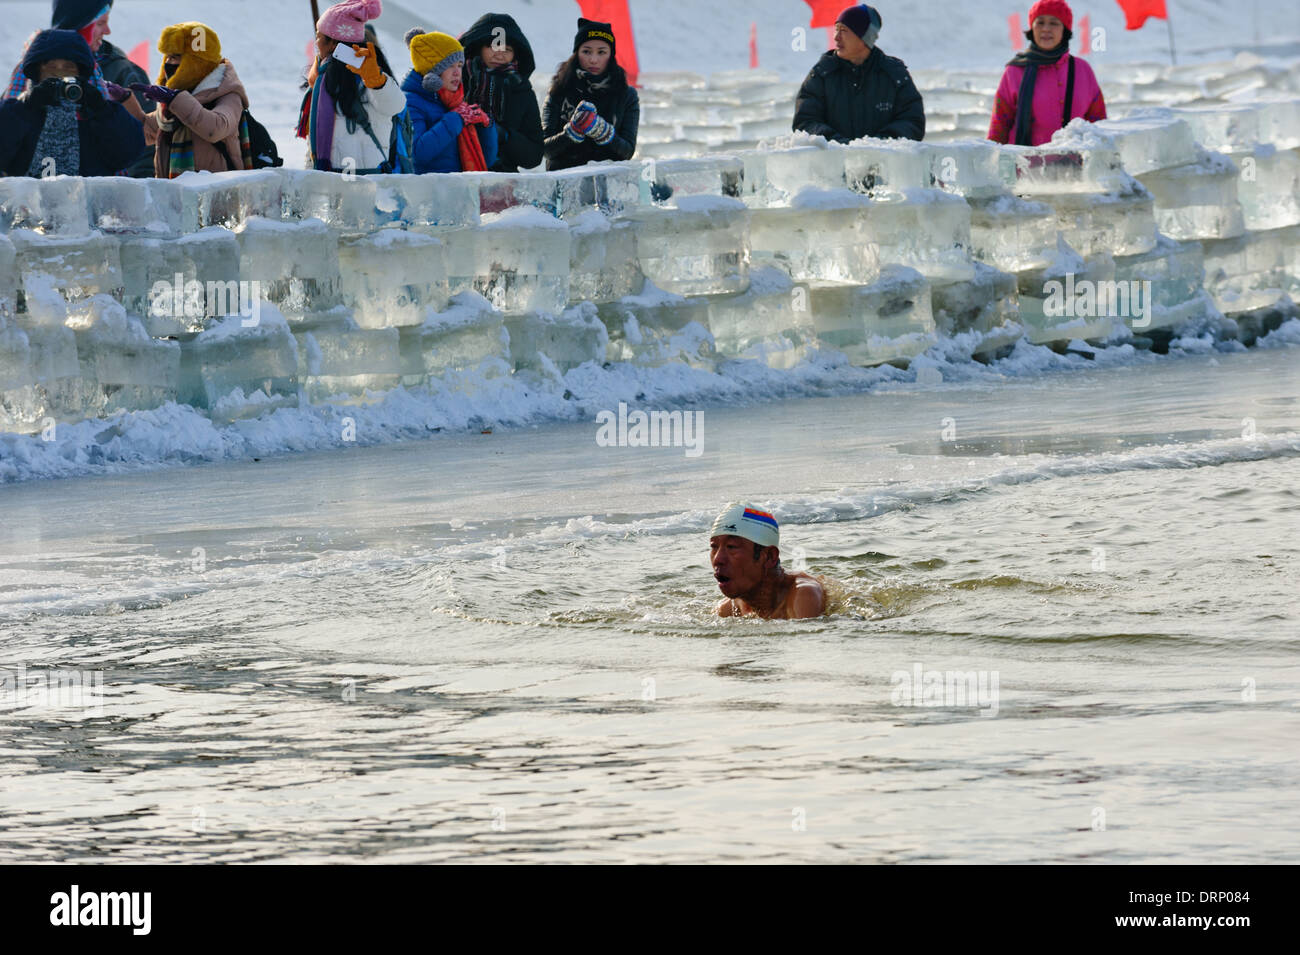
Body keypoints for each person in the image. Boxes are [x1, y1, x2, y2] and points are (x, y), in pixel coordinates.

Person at [2, 1, 152, 175]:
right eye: (101, 23)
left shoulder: (120, 71)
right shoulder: (25, 78)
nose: (60, 75)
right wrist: (26, 106)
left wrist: (102, 109)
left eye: (68, 68)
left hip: (99, 195)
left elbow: (135, 152)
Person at [298, 1, 405, 173]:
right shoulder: (322, 81)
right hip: (330, 183)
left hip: (367, 182)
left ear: (332, 43)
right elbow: (315, 143)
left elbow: (396, 105)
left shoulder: (368, 74)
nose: (316, 43)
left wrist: (377, 81)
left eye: (318, 36)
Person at [792, 4, 925, 143]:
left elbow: (912, 121)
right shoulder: (822, 74)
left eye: (843, 30)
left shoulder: (894, 74)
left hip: (883, 162)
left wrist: (880, 144)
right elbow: (805, 122)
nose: (836, 37)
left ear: (865, 38)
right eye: (836, 29)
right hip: (835, 162)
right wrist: (839, 145)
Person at [988, 0, 1106, 145]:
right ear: (1032, 27)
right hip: (1023, 164)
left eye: (1054, 23)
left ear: (1065, 29)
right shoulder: (1014, 71)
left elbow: (1099, 125)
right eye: (1040, 22)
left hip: (1074, 164)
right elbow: (999, 125)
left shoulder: (1083, 70)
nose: (1046, 29)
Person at [542, 18, 639, 171]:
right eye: (586, 51)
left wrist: (604, 133)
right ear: (577, 53)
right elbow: (545, 148)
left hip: (608, 184)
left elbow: (627, 151)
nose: (594, 60)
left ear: (611, 55)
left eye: (601, 52)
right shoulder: (559, 90)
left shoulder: (627, 95)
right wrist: (570, 134)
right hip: (564, 182)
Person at [401, 29, 497, 174]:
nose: (457, 72)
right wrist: (456, 118)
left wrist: (486, 126)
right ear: (432, 69)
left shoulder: (455, 102)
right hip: (428, 192)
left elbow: (487, 160)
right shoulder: (411, 101)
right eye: (449, 65)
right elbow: (417, 154)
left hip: (459, 190)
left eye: (459, 65)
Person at [459, 13, 544, 173]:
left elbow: (534, 156)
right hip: (456, 175)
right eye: (493, 46)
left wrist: (504, 136)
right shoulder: (456, 80)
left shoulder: (522, 90)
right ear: (478, 46)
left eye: (507, 49)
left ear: (515, 54)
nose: (499, 54)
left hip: (503, 182)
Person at [709, 504, 826, 620]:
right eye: (714, 546)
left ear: (770, 557)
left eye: (731, 547)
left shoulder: (804, 595)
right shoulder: (727, 610)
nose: (717, 559)